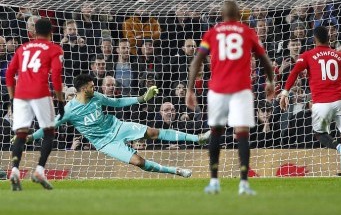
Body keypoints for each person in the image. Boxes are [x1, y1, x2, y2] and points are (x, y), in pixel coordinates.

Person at [27, 74, 211, 179]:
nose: (94, 88)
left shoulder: (96, 96)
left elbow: (117, 102)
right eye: (91, 86)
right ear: (83, 89)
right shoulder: (69, 110)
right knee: (138, 162)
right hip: (105, 143)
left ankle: (199, 138)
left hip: (117, 126)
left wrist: (141, 99)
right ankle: (175, 171)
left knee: (153, 132)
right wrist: (29, 137)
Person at [186, 0, 274, 195]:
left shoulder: (212, 33)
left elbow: (196, 62)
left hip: (217, 89)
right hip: (241, 89)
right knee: (242, 133)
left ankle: (214, 181)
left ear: (221, 14)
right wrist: (270, 82)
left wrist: (190, 89)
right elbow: (265, 61)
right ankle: (243, 183)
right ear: (239, 14)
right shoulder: (248, 32)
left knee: (215, 132)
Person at [280, 26, 341, 180]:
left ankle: (339, 147)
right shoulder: (339, 56)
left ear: (314, 40)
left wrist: (284, 93)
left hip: (320, 103)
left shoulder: (307, 55)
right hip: (339, 101)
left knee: (319, 133)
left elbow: (294, 72)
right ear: (329, 39)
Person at [5, 18, 65, 191]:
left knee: (21, 134)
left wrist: (12, 98)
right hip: (40, 93)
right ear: (51, 31)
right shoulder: (54, 49)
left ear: (33, 32)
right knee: (48, 132)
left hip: (21, 95)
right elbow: (56, 77)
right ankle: (39, 170)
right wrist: (60, 100)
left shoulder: (22, 48)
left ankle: (15, 171)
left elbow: (9, 74)